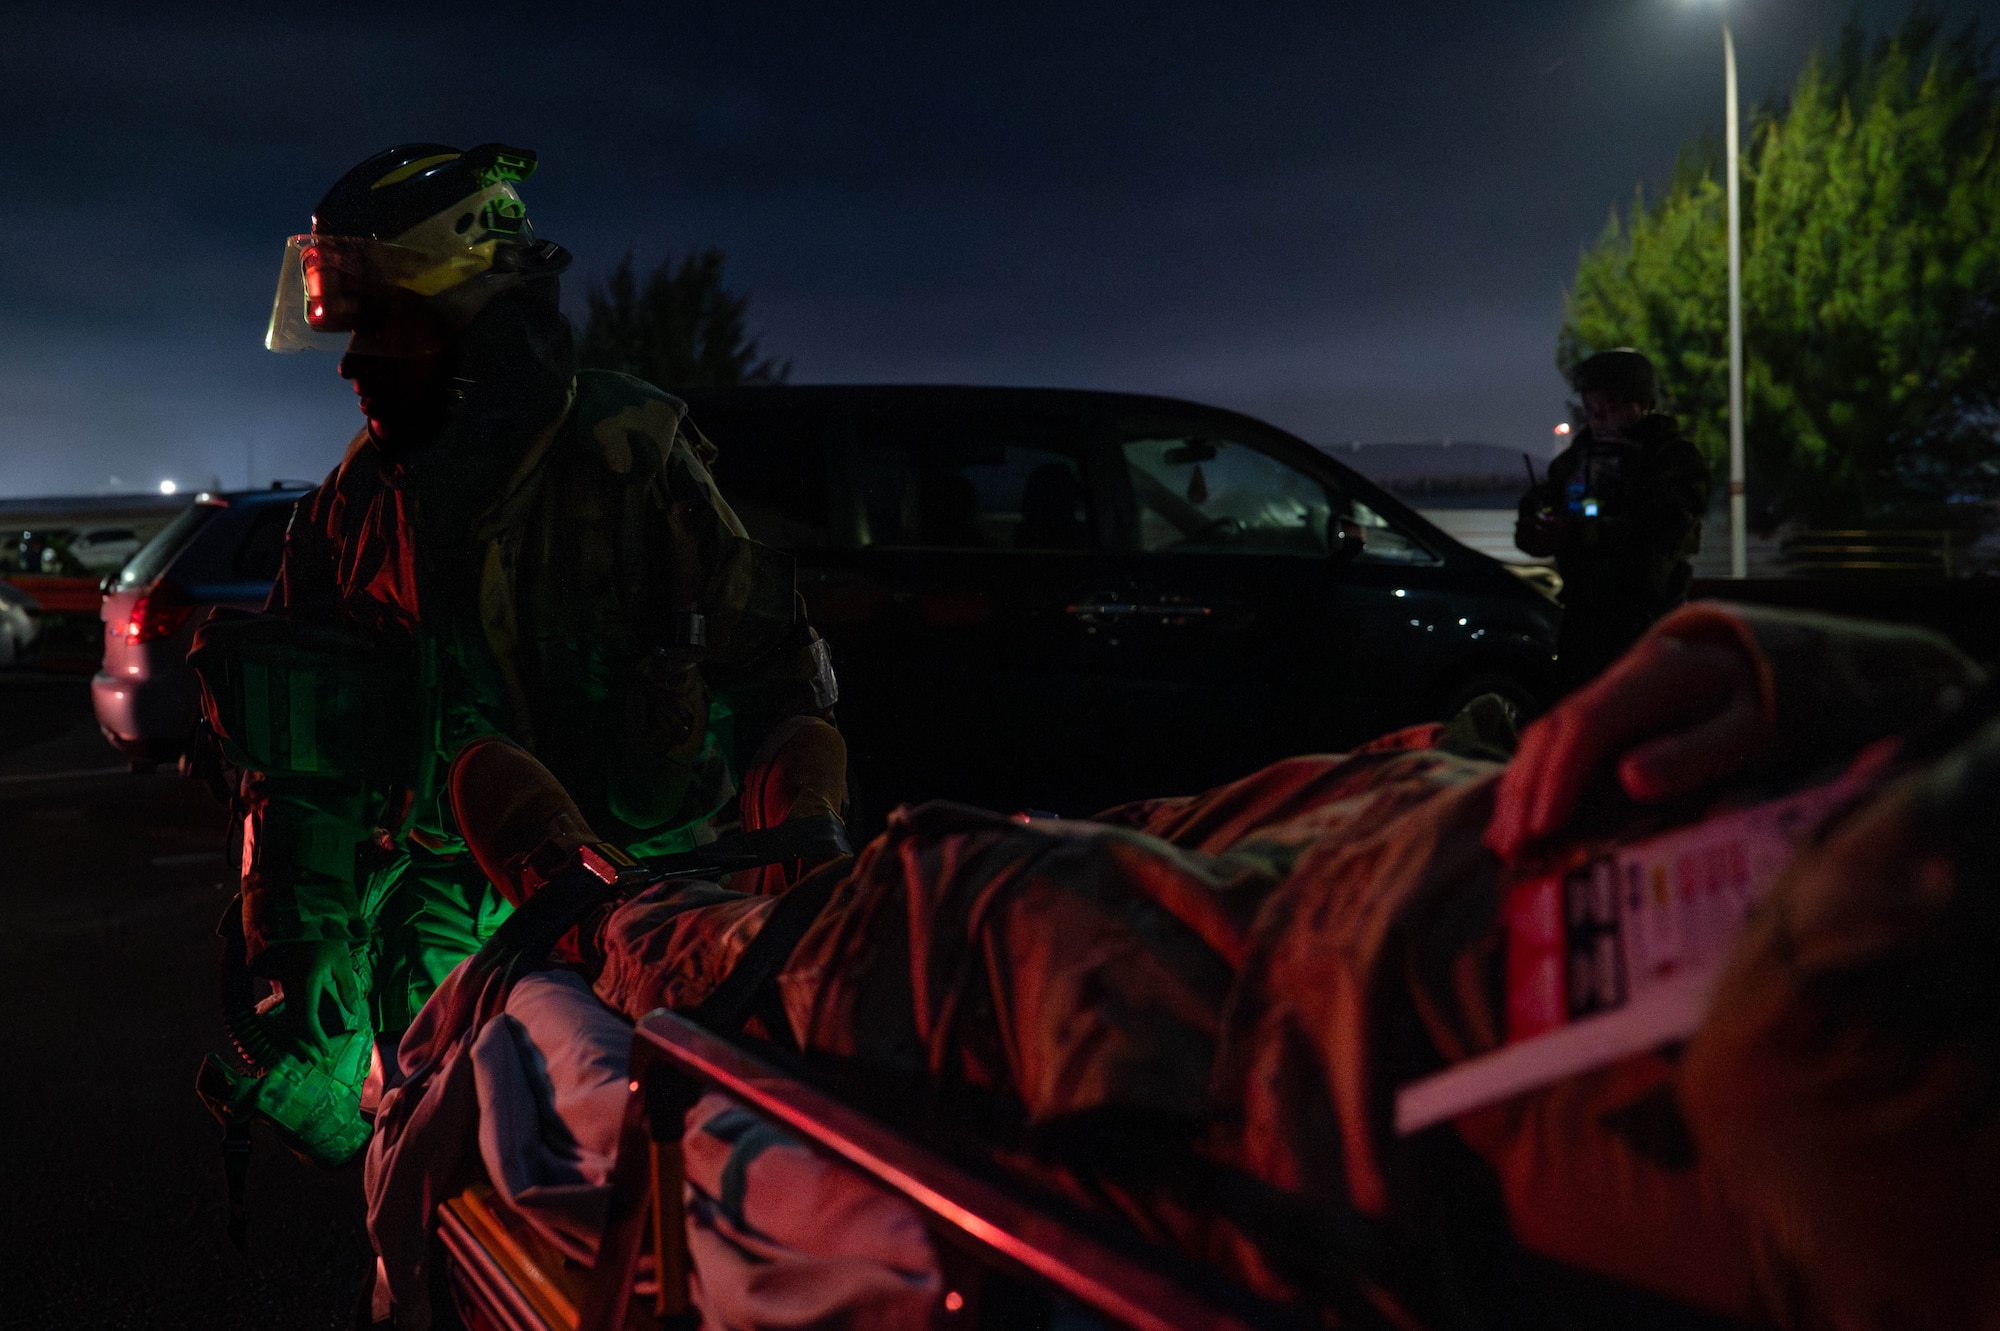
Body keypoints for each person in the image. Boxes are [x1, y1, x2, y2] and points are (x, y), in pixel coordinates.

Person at [369, 592, 1993, 1329]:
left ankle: (596, 900)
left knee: (962, 916)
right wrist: (1854, 690)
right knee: (1112, 833)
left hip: (1298, 1044)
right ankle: (805, 852)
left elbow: (1824, 1040)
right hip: (1478, 830)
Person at [191, 143, 846, 1162]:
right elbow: (297, 759)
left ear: (481, 317)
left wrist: (802, 856)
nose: (357, 363)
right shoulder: (352, 508)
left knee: (661, 1209)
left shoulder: (633, 459)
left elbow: (777, 684)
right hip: (440, 966)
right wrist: (296, 925)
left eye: (391, 321)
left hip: (650, 949)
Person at [1517, 348, 1711, 693]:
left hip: (1646, 625)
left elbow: (1658, 528)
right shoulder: (1579, 456)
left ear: (1641, 404)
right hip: (1582, 626)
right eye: (1592, 411)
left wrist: (1577, 533)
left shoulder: (1673, 459)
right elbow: (1544, 497)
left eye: (1610, 409)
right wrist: (1535, 525)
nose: (1599, 421)